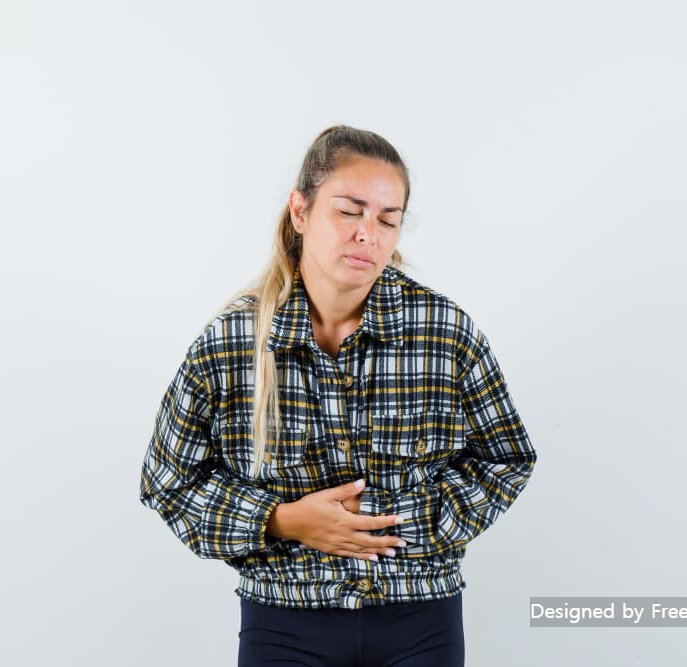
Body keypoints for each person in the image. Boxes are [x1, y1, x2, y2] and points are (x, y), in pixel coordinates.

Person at [139, 125, 537, 667]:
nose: (367, 234)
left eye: (387, 220)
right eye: (349, 212)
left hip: (422, 619)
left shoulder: (445, 332)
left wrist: (392, 519)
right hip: (283, 621)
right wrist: (282, 519)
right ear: (300, 212)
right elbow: (167, 482)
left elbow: (506, 459)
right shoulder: (231, 342)